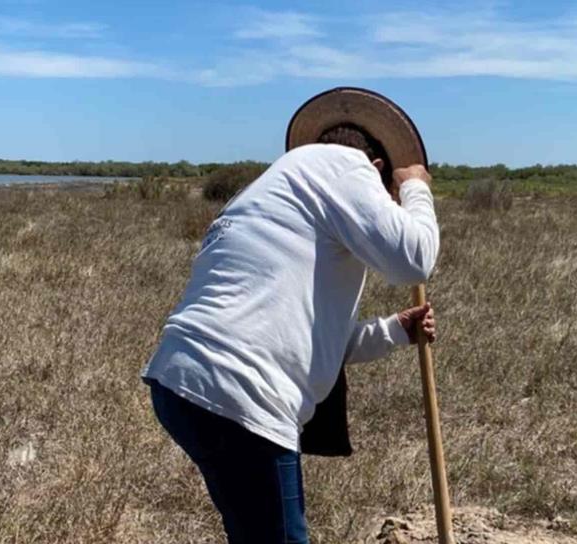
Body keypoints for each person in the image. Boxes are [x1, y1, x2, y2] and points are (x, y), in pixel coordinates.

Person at [141, 113, 439, 543]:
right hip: (239, 393)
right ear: (376, 170)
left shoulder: (272, 192)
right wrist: (414, 186)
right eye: (387, 195)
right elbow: (414, 259)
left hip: (181, 381)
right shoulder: (346, 167)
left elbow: (305, 338)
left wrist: (395, 330)